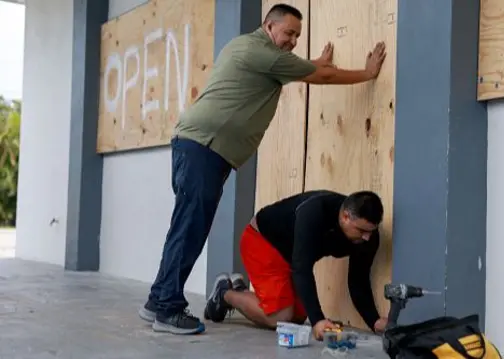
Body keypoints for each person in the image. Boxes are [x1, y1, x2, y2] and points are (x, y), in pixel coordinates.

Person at [137, 3, 387, 335]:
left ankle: (158, 299)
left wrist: (313, 64)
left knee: (187, 226)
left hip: (203, 148)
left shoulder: (255, 51)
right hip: (204, 147)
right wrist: (366, 73)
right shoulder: (261, 51)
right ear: (269, 26)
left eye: (298, 35)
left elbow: (300, 68)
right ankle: (168, 308)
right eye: (289, 33)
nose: (293, 40)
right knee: (189, 229)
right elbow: (320, 76)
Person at [203, 190, 389, 340]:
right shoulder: (314, 211)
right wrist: (318, 320)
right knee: (281, 317)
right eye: (362, 230)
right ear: (346, 217)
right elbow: (302, 268)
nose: (367, 237)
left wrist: (374, 321)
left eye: (371, 231)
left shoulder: (368, 238)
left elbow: (358, 280)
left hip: (290, 255)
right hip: (262, 241)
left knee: (297, 317)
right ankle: (225, 294)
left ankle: (239, 290)